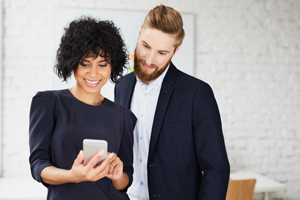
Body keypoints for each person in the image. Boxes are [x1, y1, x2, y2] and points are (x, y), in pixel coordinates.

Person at [114, 4, 230, 200]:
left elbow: (216, 168)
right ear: (140, 33)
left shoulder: (197, 93)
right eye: (146, 46)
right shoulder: (122, 86)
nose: (149, 60)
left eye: (162, 53)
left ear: (176, 50)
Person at [29, 17, 136, 200]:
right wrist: (73, 176)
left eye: (102, 65)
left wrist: (118, 176)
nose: (93, 73)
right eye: (85, 64)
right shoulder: (48, 103)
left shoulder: (123, 116)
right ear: (72, 63)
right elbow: (38, 165)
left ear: (112, 67)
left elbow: (125, 180)